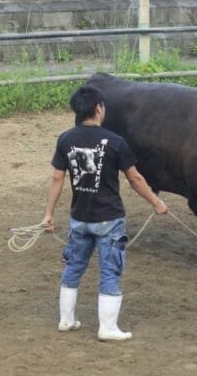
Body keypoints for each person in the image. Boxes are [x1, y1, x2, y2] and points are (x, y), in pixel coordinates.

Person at [42, 84, 167, 341]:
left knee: (74, 266)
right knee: (110, 270)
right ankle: (107, 328)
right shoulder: (115, 142)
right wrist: (156, 202)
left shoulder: (65, 139)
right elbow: (135, 179)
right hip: (108, 219)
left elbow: (57, 179)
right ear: (99, 108)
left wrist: (49, 213)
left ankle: (67, 319)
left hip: (79, 218)